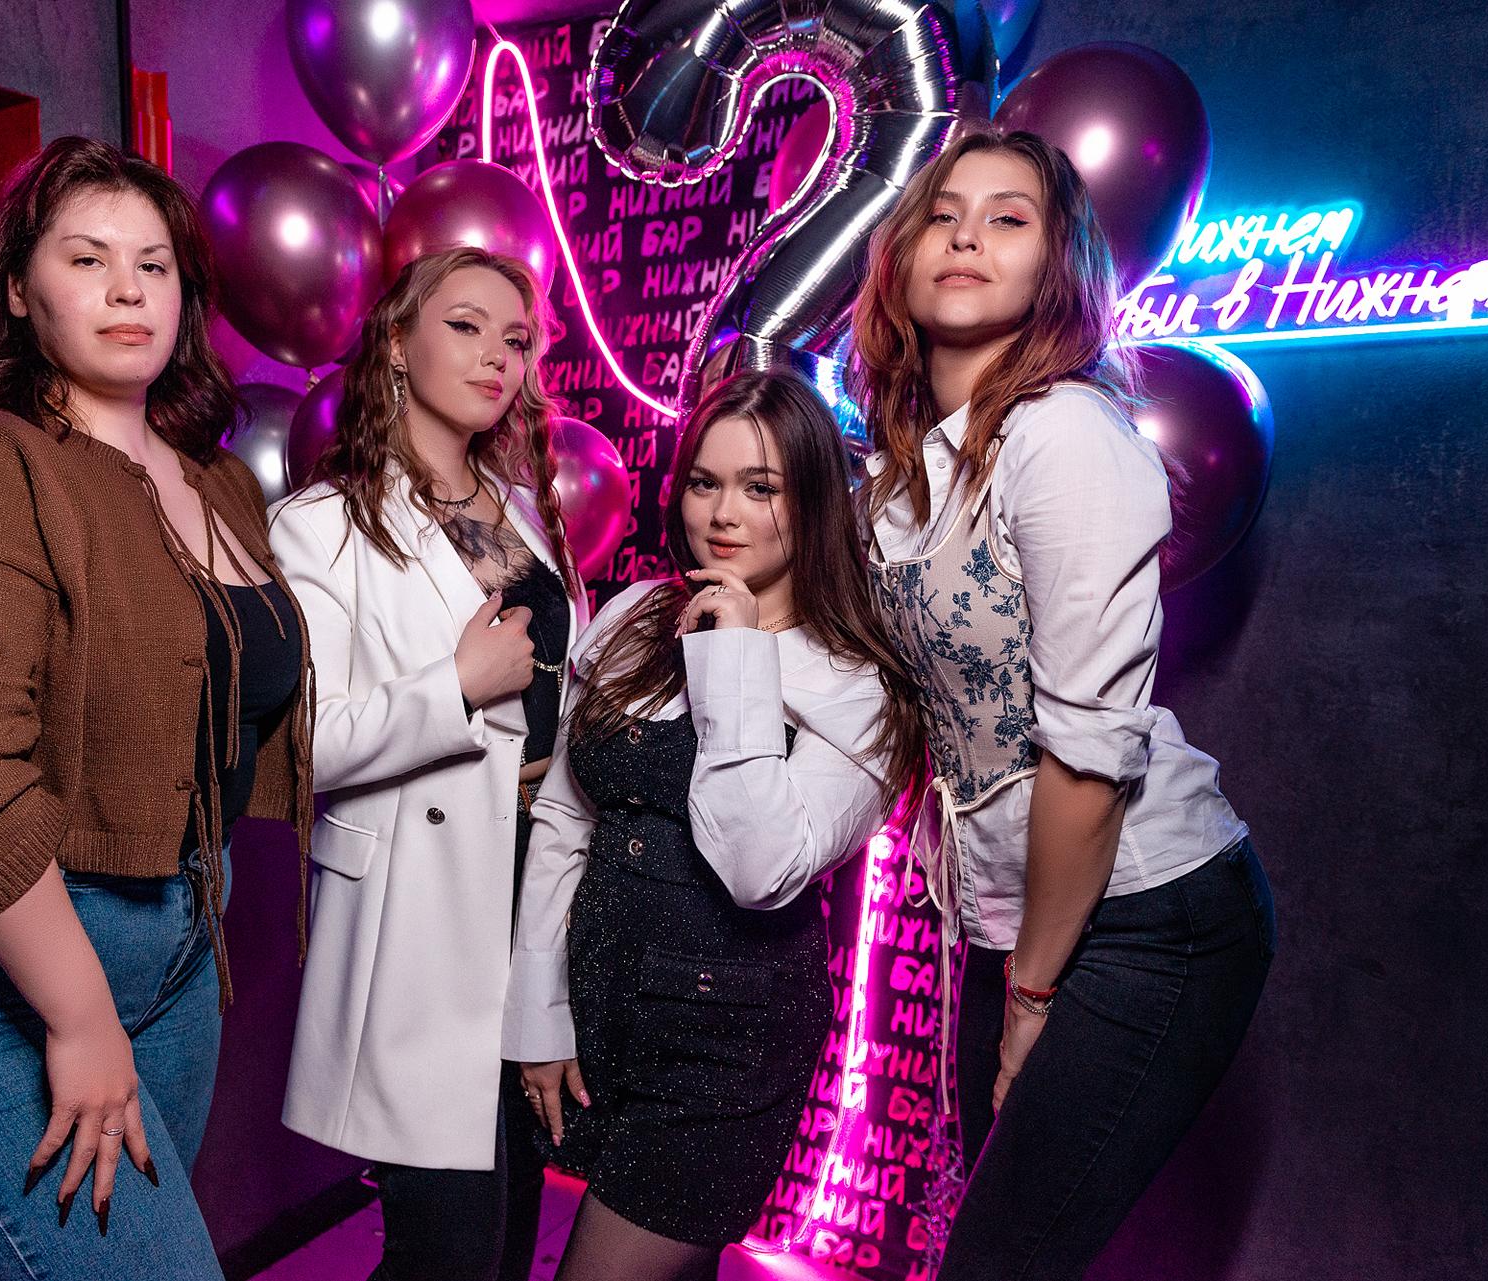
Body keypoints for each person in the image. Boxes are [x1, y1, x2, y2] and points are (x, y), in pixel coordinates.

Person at [0, 135, 313, 1281]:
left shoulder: (217, 482)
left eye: (154, 264)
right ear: (16, 288)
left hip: (178, 943)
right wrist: (81, 1015)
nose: (128, 288)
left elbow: (219, 704)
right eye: (87, 259)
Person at [849, 128, 1276, 1280]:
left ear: (1057, 269)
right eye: (944, 215)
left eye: (1008, 218)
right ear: (902, 254)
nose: (966, 237)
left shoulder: (1067, 436)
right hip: (1020, 921)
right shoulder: (903, 476)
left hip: (1152, 914)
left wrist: (1031, 992)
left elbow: (1088, 758)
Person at [502, 370, 928, 1281]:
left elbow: (759, 867)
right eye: (705, 481)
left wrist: (734, 655)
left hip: (724, 1048)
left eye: (760, 486)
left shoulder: (860, 682)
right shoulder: (633, 614)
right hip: (601, 1011)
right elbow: (567, 818)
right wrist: (538, 1012)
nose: (723, 513)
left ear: (814, 501)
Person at [269, 246, 582, 1281]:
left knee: (509, 1226)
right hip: (421, 915)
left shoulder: (522, 511)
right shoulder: (322, 525)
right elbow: (306, 742)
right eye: (465, 325)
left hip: (531, 888)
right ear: (398, 343)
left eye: (516, 339)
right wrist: (455, 688)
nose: (497, 356)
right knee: (446, 1249)